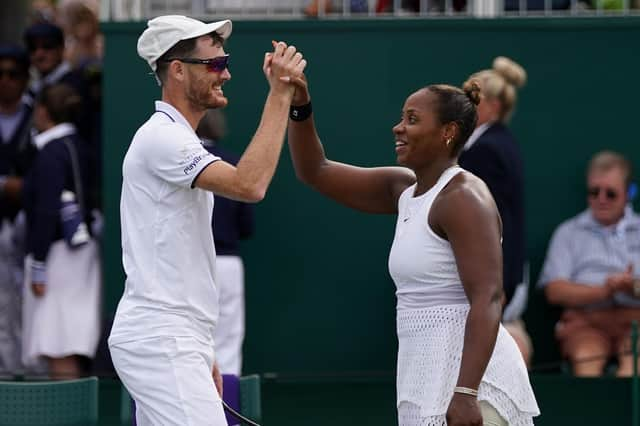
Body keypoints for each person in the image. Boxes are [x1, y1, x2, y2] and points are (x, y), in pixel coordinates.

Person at [285, 73, 539, 424]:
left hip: (474, 388)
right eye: (402, 117)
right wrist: (299, 104)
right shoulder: (404, 189)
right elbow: (314, 170)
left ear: (447, 131)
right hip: (425, 378)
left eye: (412, 119)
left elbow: (488, 297)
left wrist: (466, 393)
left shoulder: (464, 197)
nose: (398, 128)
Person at [107, 15, 305, 426]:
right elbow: (250, 185)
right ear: (177, 70)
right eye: (215, 63)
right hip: (162, 338)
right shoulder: (163, 137)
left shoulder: (174, 138)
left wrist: (201, 348)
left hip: (177, 336)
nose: (226, 73)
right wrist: (280, 94)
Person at [21, 83, 100, 379]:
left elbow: (46, 210)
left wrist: (39, 264)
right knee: (66, 336)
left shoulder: (51, 152)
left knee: (59, 340)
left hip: (58, 255)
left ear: (43, 112)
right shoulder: (80, 146)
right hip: (81, 250)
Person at [538, 151, 640, 377]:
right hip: (587, 326)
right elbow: (554, 290)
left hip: (634, 324)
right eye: (594, 192)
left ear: (629, 193)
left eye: (611, 193)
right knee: (587, 364)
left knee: (633, 369)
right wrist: (605, 290)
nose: (601, 199)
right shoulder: (568, 232)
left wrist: (631, 287)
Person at [458, 56, 532, 367]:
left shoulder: (487, 150)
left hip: (495, 278)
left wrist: (498, 283)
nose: (466, 105)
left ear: (493, 106)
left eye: (473, 99)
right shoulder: (495, 143)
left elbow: (498, 223)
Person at [197, 110, 255, 376]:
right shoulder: (233, 163)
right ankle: (226, 415)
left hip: (192, 262)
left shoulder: (180, 157)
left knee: (191, 340)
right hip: (227, 262)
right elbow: (246, 226)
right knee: (228, 345)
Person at [0, 44, 36, 376]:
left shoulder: (36, 113)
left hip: (32, 222)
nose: (6, 81)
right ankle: (7, 376)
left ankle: (34, 377)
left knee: (31, 302)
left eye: (13, 74)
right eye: (1, 73)